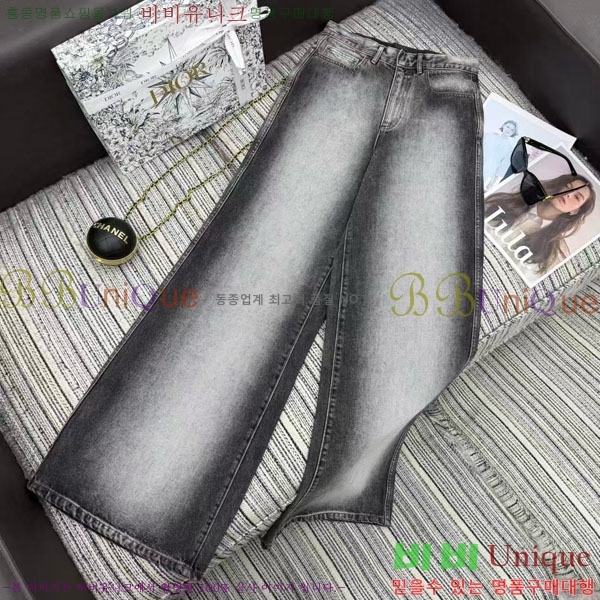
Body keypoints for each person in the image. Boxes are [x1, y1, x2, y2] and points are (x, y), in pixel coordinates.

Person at [485, 173, 596, 274]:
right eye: (567, 187)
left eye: (576, 197)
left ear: (575, 211)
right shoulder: (511, 201)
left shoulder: (553, 252)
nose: (568, 194)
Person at [483, 120, 519, 191]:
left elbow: (503, 167)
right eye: (508, 127)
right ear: (503, 126)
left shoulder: (509, 147)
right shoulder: (490, 136)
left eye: (512, 130)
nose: (509, 130)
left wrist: (492, 183)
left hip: (490, 171)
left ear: (514, 133)